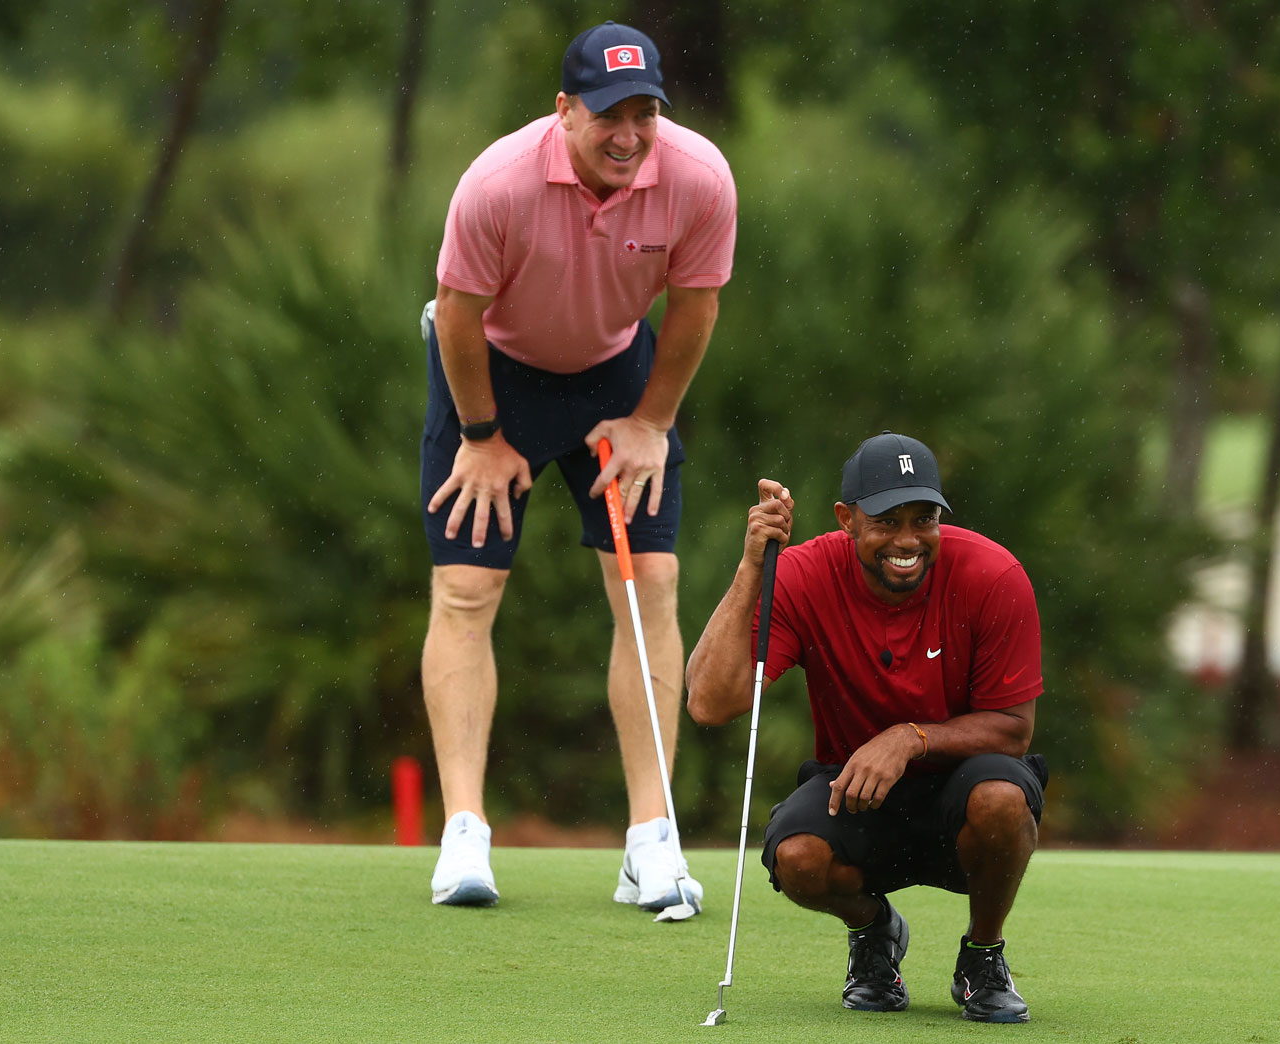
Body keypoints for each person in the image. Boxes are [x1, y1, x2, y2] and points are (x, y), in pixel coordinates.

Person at [419, 21, 736, 915]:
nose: (629, 134)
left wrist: (651, 422)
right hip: (491, 376)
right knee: (466, 593)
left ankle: (650, 842)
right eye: (608, 115)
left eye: (645, 113)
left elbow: (696, 305)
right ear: (565, 111)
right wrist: (482, 435)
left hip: (618, 376)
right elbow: (455, 314)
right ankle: (465, 834)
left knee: (653, 585)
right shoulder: (497, 183)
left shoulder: (700, 178)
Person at [686, 432, 1047, 1022]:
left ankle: (983, 956)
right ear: (846, 518)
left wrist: (910, 737)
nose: (908, 540)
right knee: (797, 857)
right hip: (856, 790)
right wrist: (752, 567)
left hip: (966, 788)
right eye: (885, 521)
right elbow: (709, 702)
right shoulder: (803, 574)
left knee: (1004, 799)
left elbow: (1014, 731)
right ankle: (875, 931)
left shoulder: (993, 574)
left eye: (924, 519)